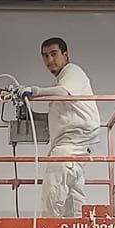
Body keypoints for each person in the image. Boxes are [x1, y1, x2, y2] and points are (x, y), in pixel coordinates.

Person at [38, 36, 100, 218]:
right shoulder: (61, 82)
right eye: (45, 56)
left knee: (52, 191)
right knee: (74, 196)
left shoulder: (72, 71)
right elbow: (61, 115)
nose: (50, 60)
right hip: (77, 146)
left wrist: (35, 91)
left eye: (54, 54)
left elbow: (64, 93)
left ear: (66, 55)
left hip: (71, 144)